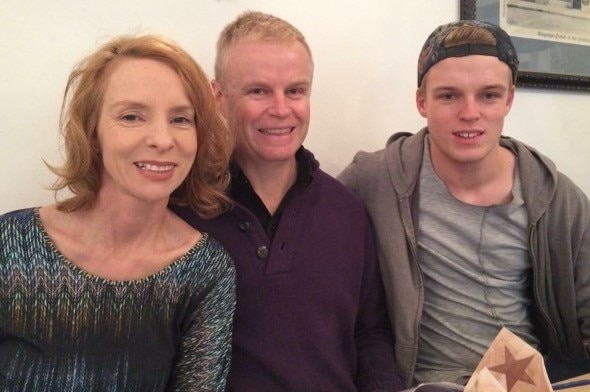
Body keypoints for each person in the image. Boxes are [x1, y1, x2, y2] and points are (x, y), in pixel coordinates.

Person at [338, 20, 590, 389]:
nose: (469, 113)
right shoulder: (376, 179)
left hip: (529, 381)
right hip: (424, 385)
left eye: (488, 95)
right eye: (449, 96)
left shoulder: (556, 199)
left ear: (509, 99)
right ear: (422, 102)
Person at [173, 10, 404, 392]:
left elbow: (370, 335)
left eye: (295, 90)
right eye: (258, 90)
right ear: (218, 97)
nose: (281, 109)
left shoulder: (346, 210)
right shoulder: (181, 208)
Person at [0, 34, 236, 391]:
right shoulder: (11, 243)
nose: (162, 139)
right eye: (131, 116)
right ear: (91, 131)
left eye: (181, 119)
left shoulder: (206, 274)